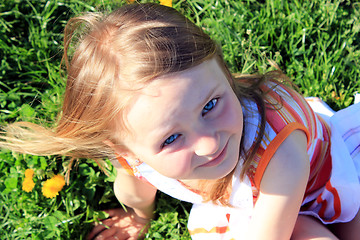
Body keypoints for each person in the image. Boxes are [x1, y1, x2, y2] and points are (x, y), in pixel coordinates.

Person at [1, 2, 360, 240]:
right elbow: (132, 190)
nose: (208, 142)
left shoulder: (279, 144)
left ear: (223, 71)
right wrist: (140, 216)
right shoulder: (135, 155)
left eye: (210, 105)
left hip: (317, 180)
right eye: (171, 139)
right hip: (267, 208)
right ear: (126, 149)